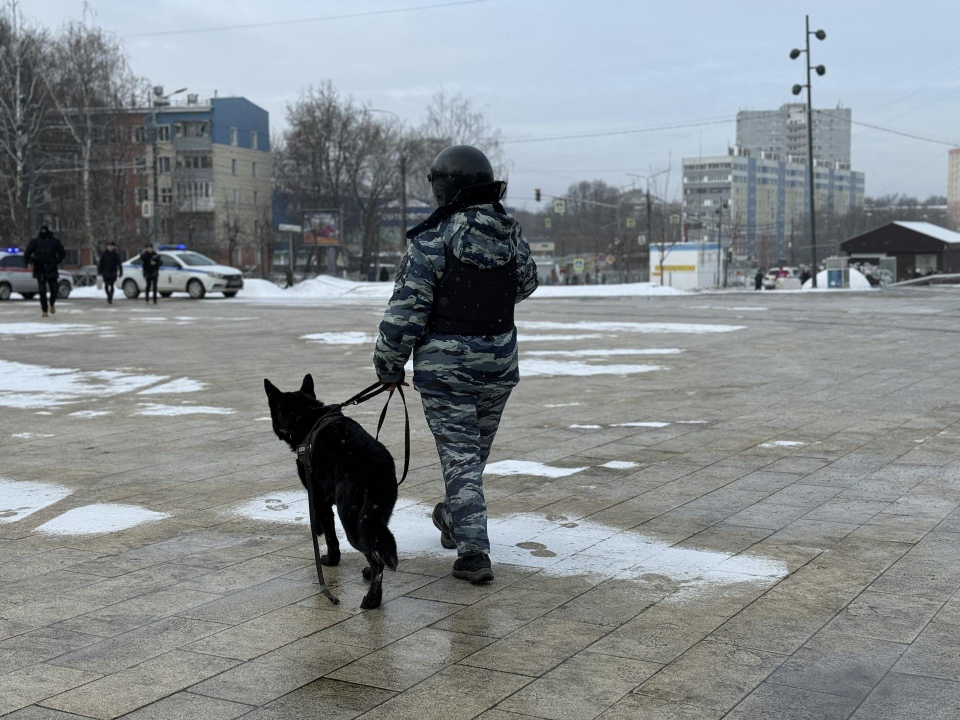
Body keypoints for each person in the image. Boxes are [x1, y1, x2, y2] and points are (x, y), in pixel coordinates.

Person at [373, 145, 539, 584]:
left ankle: (473, 553)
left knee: (462, 458)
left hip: (446, 372)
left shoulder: (432, 241)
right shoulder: (510, 234)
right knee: (470, 457)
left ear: (445, 187)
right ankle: (453, 517)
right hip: (498, 368)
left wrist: (388, 367)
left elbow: (404, 315)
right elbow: (527, 282)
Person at [24, 224, 66, 318]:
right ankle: (44, 309)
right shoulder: (35, 242)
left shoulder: (54, 242)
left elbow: (62, 253)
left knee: (54, 289)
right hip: (40, 269)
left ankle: (52, 303)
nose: (43, 233)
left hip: (51, 269)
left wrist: (56, 261)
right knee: (42, 291)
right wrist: (30, 262)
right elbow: (27, 253)